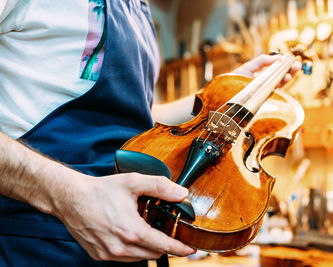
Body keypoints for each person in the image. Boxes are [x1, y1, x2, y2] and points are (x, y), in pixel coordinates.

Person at [0, 0, 300, 266]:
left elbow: (134, 120)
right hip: (36, 243)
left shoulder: (137, 8)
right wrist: (68, 198)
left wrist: (218, 99)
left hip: (130, 239)